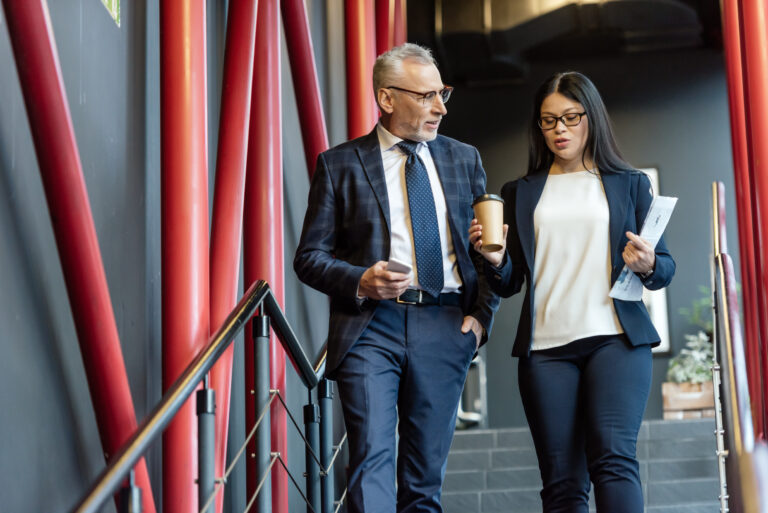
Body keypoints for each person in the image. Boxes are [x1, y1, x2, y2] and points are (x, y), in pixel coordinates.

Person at [294, 43, 499, 513]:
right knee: (371, 461)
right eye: (427, 96)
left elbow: (487, 253)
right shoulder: (340, 163)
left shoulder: (463, 159)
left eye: (442, 93)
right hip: (371, 326)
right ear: (387, 99)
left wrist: (481, 317)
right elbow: (309, 257)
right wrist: (361, 281)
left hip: (446, 324)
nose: (441, 107)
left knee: (425, 477)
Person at [469, 71, 675, 513]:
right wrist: (494, 259)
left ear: (591, 117)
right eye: (548, 121)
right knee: (562, 484)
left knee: (614, 463)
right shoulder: (520, 193)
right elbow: (510, 283)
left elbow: (665, 269)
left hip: (616, 340)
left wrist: (649, 263)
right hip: (545, 351)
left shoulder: (630, 183)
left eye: (570, 117)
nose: (559, 129)